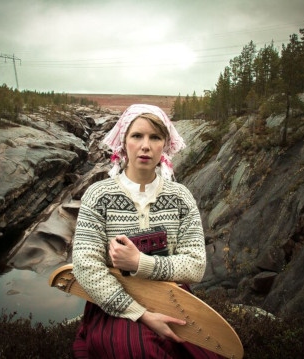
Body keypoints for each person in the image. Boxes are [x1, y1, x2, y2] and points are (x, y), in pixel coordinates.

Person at [72, 104, 222, 358]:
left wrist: (140, 262)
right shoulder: (98, 195)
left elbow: (195, 265)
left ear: (164, 144)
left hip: (173, 299)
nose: (146, 145)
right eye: (137, 136)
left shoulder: (180, 197)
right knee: (136, 350)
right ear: (123, 141)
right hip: (114, 302)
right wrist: (139, 314)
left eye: (155, 137)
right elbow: (85, 265)